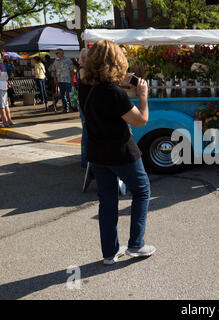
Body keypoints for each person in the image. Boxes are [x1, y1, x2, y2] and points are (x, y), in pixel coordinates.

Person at [78, 40, 155, 265]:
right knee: (142, 191)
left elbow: (102, 90)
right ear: (116, 62)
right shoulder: (114, 93)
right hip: (120, 152)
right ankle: (136, 245)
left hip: (97, 152)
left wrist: (119, 80)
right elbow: (141, 120)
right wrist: (143, 95)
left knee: (107, 201)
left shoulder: (86, 85)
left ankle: (110, 253)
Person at [49, 48, 77, 113]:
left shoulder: (68, 60)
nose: (56, 54)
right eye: (56, 53)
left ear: (61, 53)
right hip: (60, 80)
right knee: (62, 95)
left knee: (70, 95)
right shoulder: (56, 61)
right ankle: (65, 108)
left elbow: (72, 71)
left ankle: (71, 108)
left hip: (68, 80)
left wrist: (72, 80)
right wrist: (55, 79)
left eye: (57, 53)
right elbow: (53, 70)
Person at [75, 49, 88, 168]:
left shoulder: (81, 69)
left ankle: (86, 159)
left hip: (84, 102)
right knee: (86, 132)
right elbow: (86, 84)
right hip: (84, 103)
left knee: (86, 130)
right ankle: (85, 160)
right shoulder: (83, 70)